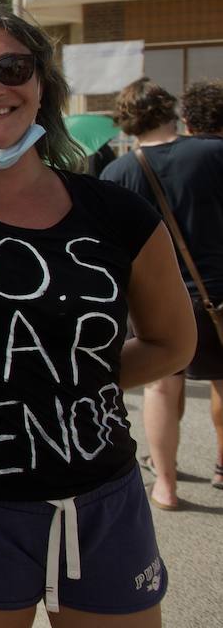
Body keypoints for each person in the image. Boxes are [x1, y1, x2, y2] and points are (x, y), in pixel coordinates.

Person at [0, 9, 195, 628]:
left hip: (102, 504)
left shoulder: (117, 213)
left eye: (12, 67)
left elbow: (172, 345)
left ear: (41, 85)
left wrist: (65, 382)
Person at [99, 78, 223, 507]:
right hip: (219, 293)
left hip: (151, 301)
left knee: (160, 388)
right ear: (172, 111)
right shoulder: (213, 153)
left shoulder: (117, 172)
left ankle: (165, 485)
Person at [180, 79, 223, 491]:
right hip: (220, 290)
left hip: (175, 291)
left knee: (164, 381)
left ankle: (165, 473)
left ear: (188, 117)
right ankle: (222, 465)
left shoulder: (153, 160)